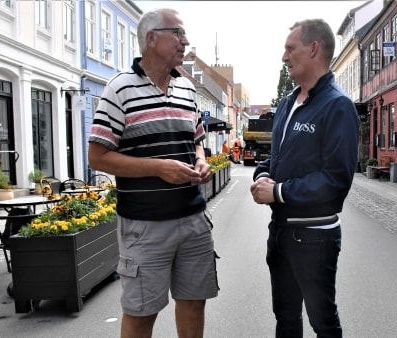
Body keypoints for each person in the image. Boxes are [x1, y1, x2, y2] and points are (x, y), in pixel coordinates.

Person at [87, 8, 219, 338]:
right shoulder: (119, 90)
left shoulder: (187, 90)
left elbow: (198, 142)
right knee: (142, 312)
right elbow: (97, 157)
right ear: (151, 38)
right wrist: (158, 168)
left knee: (194, 302)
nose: (185, 41)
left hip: (193, 221)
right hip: (144, 226)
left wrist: (201, 161)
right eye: (177, 33)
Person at [250, 19, 360, 337]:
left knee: (322, 321)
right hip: (281, 232)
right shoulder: (288, 103)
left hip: (314, 237)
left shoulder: (337, 106)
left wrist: (279, 191)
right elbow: (280, 157)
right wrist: (262, 174)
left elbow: (336, 181)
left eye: (290, 48)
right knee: (285, 318)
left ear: (313, 49)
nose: (284, 57)